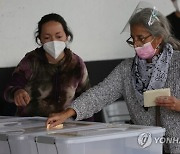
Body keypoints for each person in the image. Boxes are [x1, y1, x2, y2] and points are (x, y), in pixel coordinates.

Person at [47, 8, 180, 153]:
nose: (136, 44)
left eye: (141, 38)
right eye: (133, 39)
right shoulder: (127, 69)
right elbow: (100, 94)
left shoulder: (177, 63)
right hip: (146, 146)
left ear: (158, 38)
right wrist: (68, 113)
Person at [4, 13, 92, 119]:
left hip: (66, 126)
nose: (54, 41)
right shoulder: (31, 61)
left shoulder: (76, 64)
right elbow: (8, 90)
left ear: (67, 37)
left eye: (59, 36)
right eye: (47, 37)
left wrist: (88, 127)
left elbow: (86, 100)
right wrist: (16, 92)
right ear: (40, 40)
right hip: (31, 125)